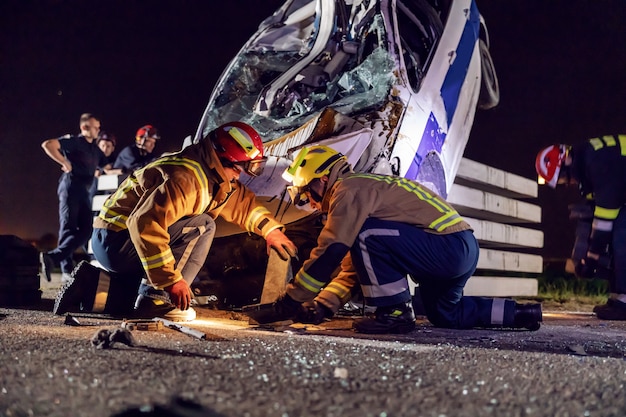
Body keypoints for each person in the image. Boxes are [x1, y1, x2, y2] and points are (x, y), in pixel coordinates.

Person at [243, 145, 543, 333]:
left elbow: (331, 252)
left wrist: (289, 302)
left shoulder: (348, 190)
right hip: (460, 247)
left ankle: (396, 313)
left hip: (446, 248)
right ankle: (521, 314)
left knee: (363, 235)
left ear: (323, 178)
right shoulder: (365, 189)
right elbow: (354, 267)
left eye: (307, 191)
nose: (308, 200)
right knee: (446, 314)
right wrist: (322, 306)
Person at [53, 121, 298, 322]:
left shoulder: (211, 175)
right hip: (119, 240)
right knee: (203, 225)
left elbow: (242, 205)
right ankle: (158, 301)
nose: (243, 175)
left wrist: (271, 230)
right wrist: (171, 282)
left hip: (113, 240)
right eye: (242, 167)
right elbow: (145, 224)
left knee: (131, 299)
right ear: (223, 160)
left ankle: (88, 285)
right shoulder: (186, 178)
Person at [536, 135, 626, 320]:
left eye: (562, 177)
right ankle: (619, 297)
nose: (568, 183)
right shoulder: (588, 160)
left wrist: (591, 258)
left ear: (567, 160)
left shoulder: (597, 162)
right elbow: (595, 211)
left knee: (621, 234)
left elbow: (604, 222)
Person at [40, 113, 111, 282]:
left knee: (87, 230)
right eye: (96, 127)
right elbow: (48, 144)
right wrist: (64, 162)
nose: (98, 130)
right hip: (70, 188)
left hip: (84, 193)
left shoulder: (95, 150)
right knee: (68, 228)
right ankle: (66, 271)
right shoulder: (75, 141)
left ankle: (53, 258)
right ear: (85, 127)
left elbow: (108, 167)